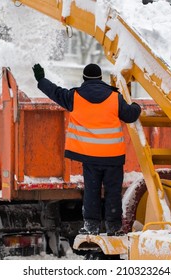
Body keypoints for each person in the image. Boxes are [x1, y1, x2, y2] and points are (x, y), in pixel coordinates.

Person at [32, 63, 141, 236]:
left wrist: (41, 79)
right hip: (113, 156)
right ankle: (113, 227)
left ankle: (92, 226)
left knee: (92, 191)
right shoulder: (114, 97)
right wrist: (136, 106)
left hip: (90, 157)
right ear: (100, 78)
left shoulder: (74, 97)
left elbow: (55, 92)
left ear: (84, 78)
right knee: (113, 192)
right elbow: (130, 115)